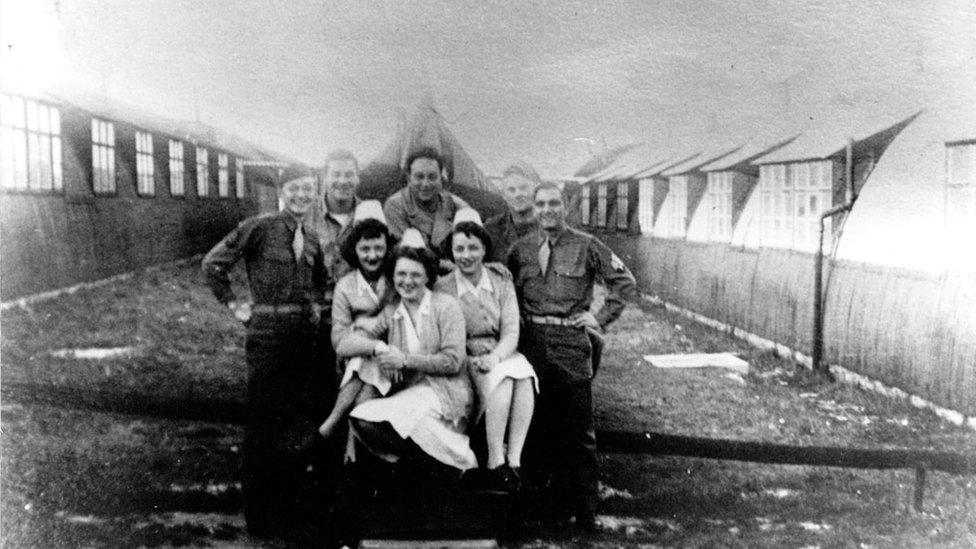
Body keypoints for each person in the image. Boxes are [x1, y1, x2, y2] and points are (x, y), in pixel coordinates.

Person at [201, 164, 337, 540]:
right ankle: (260, 518)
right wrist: (235, 305)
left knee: (293, 423)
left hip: (301, 340)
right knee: (263, 423)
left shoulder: (310, 239)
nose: (301, 196)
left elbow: (321, 288)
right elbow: (213, 264)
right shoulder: (258, 227)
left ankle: (287, 511)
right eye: (295, 189)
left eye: (308, 189)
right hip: (267, 336)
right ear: (282, 191)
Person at [507, 182, 637, 531]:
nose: (547, 210)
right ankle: (536, 507)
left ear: (565, 206)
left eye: (553, 203)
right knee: (534, 426)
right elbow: (505, 292)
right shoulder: (520, 249)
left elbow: (625, 283)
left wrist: (599, 317)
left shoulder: (586, 245)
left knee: (579, 430)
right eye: (540, 204)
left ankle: (584, 510)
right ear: (533, 210)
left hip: (569, 343)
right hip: (531, 342)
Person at [340, 229, 477, 474]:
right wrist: (379, 346)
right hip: (411, 392)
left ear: (428, 276)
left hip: (446, 393)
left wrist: (404, 360)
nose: (407, 281)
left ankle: (456, 462)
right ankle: (438, 465)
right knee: (362, 417)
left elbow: (453, 361)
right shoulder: (393, 311)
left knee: (409, 421)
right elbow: (345, 344)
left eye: (416, 274)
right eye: (401, 274)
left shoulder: (445, 306)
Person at [435, 208, 537, 491]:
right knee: (502, 380)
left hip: (498, 351)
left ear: (484, 249)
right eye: (459, 249)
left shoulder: (501, 281)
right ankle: (495, 460)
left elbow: (511, 331)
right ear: (451, 252)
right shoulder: (443, 287)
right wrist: (478, 359)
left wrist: (496, 356)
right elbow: (445, 337)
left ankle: (514, 461)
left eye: (473, 248)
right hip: (466, 356)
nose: (466, 255)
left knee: (524, 377)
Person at [317, 200, 397, 441]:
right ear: (355, 249)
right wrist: (373, 344)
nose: (372, 256)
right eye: (365, 249)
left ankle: (330, 424)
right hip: (364, 359)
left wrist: (372, 324)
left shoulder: (397, 278)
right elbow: (340, 341)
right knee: (362, 407)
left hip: (396, 359)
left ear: (387, 246)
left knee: (363, 410)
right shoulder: (346, 285)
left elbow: (402, 312)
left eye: (378, 248)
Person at [383, 147, 469, 253]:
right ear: (409, 179)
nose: (425, 184)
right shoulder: (395, 206)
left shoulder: (456, 206)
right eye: (419, 177)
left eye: (432, 177)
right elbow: (410, 254)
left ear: (441, 179)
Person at [309, 149, 361, 281]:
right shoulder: (307, 214)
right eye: (336, 174)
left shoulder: (369, 214)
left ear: (357, 178)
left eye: (349, 175)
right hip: (315, 298)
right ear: (325, 178)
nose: (342, 181)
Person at [483, 162, 541, 263]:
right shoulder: (490, 230)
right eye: (511, 190)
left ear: (536, 190)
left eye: (523, 188)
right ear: (504, 195)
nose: (517, 194)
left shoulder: (550, 227)